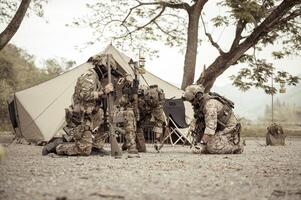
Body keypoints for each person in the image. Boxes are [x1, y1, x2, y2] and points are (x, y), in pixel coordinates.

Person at [42, 54, 120, 156]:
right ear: (102, 66)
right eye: (108, 70)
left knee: (107, 117)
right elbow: (85, 95)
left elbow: (98, 96)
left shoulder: (96, 79)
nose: (107, 73)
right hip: (82, 118)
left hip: (92, 115)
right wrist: (104, 91)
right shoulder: (88, 76)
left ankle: (96, 147)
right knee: (84, 150)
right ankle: (57, 146)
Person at [183, 84, 243, 154]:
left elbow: (210, 127)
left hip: (229, 128)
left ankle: (237, 146)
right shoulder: (201, 104)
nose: (191, 103)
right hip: (218, 128)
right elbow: (198, 120)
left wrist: (202, 143)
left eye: (192, 101)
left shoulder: (210, 105)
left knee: (212, 148)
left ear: (197, 96)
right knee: (203, 148)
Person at [137, 84, 166, 152]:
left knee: (140, 125)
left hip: (147, 109)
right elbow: (162, 101)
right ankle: (157, 140)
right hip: (157, 109)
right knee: (159, 123)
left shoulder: (147, 91)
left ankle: (139, 143)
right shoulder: (159, 90)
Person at [118, 75, 140, 157]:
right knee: (130, 128)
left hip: (130, 109)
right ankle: (131, 146)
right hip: (127, 110)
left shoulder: (129, 88)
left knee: (132, 129)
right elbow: (123, 101)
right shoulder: (125, 88)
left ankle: (128, 144)